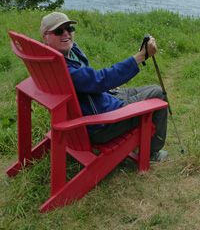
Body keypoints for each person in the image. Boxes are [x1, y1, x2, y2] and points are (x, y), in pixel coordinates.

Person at [40, 12, 169, 162]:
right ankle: (151, 154)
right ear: (45, 37)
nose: (66, 34)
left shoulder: (56, 57)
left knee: (153, 88)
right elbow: (100, 80)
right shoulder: (65, 71)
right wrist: (141, 56)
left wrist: (106, 88)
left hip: (102, 100)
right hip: (101, 123)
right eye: (58, 31)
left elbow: (93, 82)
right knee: (158, 93)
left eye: (69, 28)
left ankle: (146, 144)